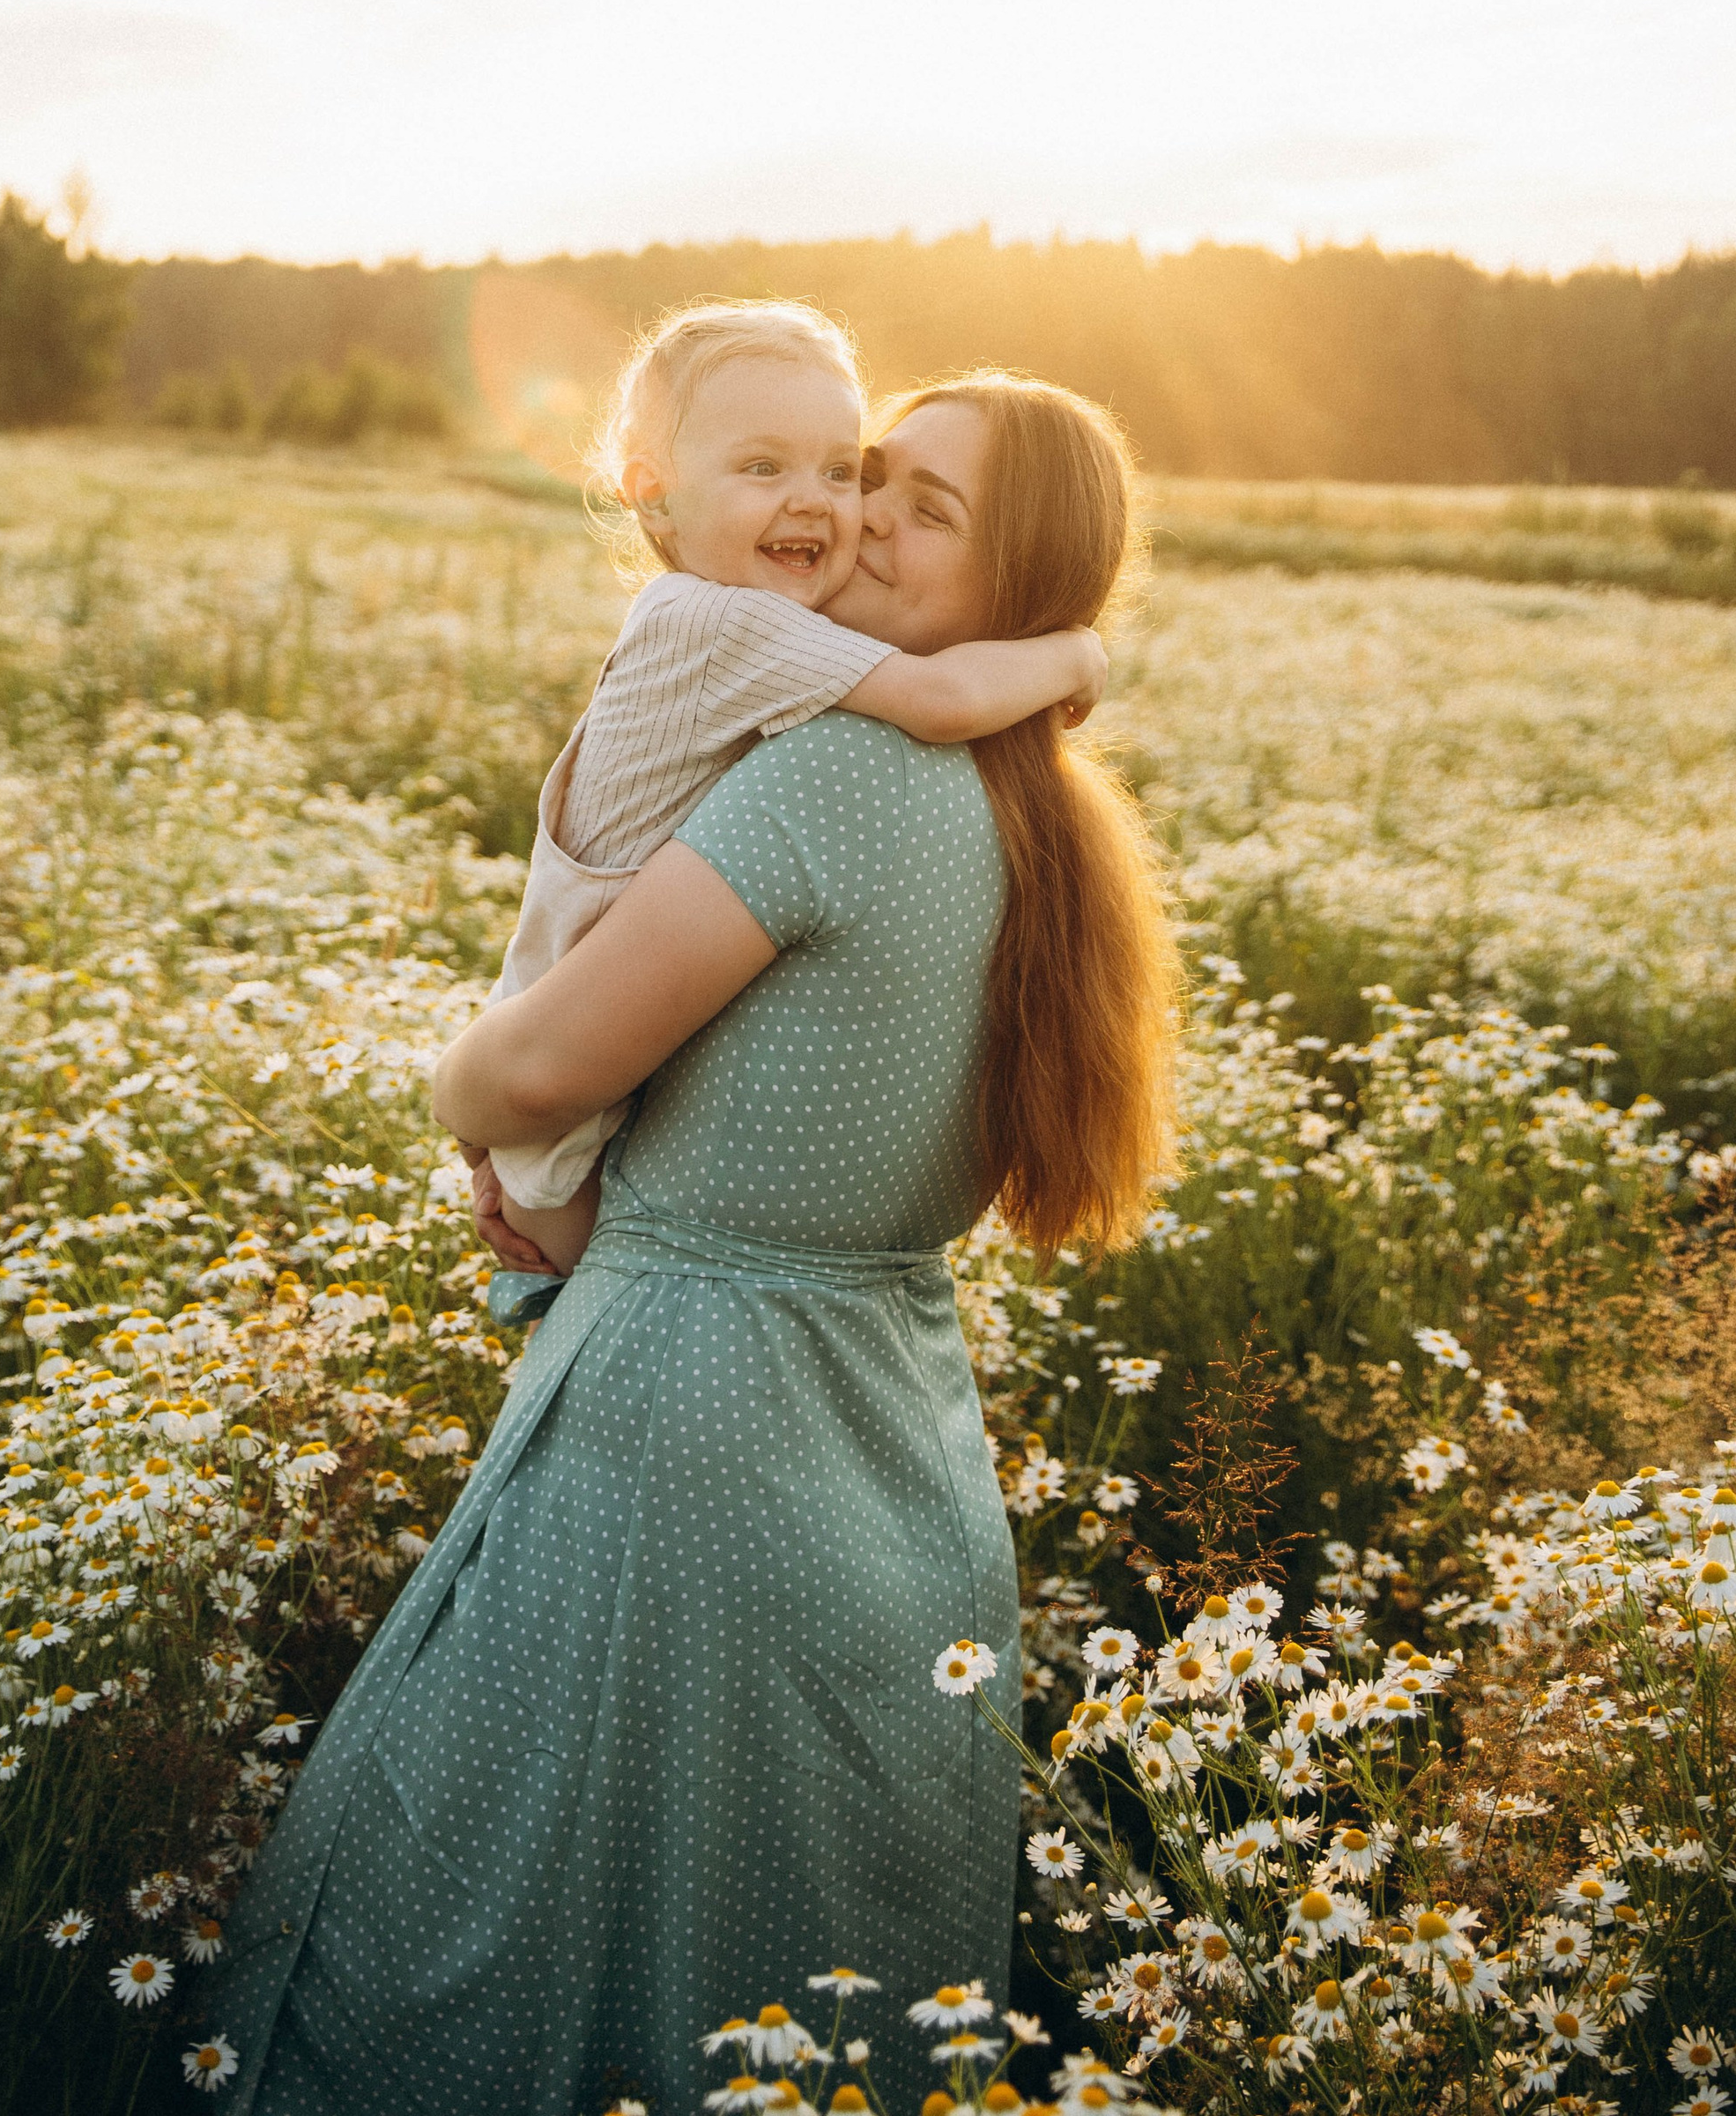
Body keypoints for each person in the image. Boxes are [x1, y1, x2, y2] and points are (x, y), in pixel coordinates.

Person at [210, 369, 1179, 2116]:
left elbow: (532, 1062)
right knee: (787, 2004)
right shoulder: (1045, 824)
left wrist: (462, 1087)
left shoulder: (843, 773)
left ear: (1017, 575)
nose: (864, 511)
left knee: (456, 1930)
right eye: (873, 471)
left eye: (926, 503)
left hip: (679, 1448)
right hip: (894, 1459)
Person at [482, 296, 1108, 1281]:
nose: (837, 508)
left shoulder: (830, 737)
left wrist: (476, 1097)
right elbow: (942, 697)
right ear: (654, 497)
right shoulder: (723, 625)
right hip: (574, 1023)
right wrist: (1073, 650)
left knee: (581, 1281)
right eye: (764, 467)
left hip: (579, 1054)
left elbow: (518, 1082)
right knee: (568, 1267)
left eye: (836, 468)